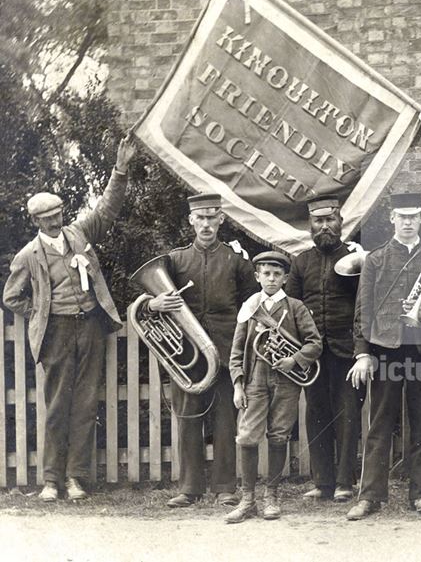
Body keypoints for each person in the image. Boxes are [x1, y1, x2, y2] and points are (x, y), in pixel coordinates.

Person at [3, 136, 136, 502]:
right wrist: (40, 312)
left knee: (86, 402)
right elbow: (11, 296)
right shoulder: (28, 255)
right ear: (35, 221)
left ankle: (77, 478)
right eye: (47, 219)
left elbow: (107, 208)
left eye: (59, 215)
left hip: (90, 324)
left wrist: (120, 169)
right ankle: (50, 481)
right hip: (57, 332)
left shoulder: (78, 233)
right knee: (58, 404)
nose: (56, 222)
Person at [345, 192, 421, 520]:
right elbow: (362, 311)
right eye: (402, 217)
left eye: (413, 217)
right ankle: (370, 496)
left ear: (419, 218)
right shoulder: (376, 259)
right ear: (393, 219)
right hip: (385, 349)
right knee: (379, 424)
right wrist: (362, 354)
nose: (408, 222)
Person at [144, 193, 257, 508]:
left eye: (212, 217)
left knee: (225, 421)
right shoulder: (176, 260)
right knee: (188, 418)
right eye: (200, 218)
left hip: (225, 350)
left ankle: (225, 488)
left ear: (221, 219)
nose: (206, 224)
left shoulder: (237, 260)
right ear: (191, 220)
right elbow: (146, 300)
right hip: (186, 353)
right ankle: (189, 488)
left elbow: (252, 305)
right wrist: (155, 303)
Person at [225, 251, 322, 523]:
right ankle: (247, 499)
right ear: (257, 277)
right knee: (246, 437)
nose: (271, 279)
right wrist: (237, 384)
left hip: (286, 380)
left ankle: (272, 495)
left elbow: (315, 343)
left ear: (285, 278)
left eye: (276, 274)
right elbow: (236, 351)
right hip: (255, 378)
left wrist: (295, 359)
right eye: (265, 274)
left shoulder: (296, 307)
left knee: (279, 436)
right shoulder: (249, 306)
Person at [286, 192, 362, 502]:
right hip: (312, 354)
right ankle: (323, 483)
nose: (325, 226)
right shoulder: (301, 262)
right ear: (310, 226)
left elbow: (363, 306)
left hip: (346, 350)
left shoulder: (356, 257)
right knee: (316, 414)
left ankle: (345, 482)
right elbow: (291, 307)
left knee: (347, 415)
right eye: (318, 221)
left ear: (341, 222)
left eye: (330, 219)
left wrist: (362, 350)